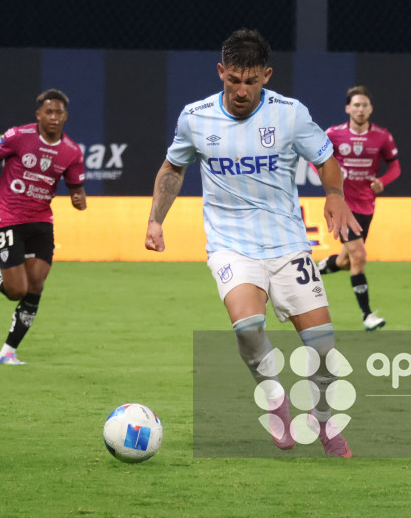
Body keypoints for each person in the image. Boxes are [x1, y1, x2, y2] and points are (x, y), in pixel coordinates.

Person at [145, 28, 360, 458]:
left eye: (251, 81)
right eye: (233, 80)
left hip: (288, 244)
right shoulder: (195, 117)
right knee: (247, 326)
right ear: (220, 72)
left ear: (266, 75)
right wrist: (155, 220)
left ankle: (323, 420)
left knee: (322, 348)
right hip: (231, 245)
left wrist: (335, 195)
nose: (241, 91)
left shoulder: (290, 113)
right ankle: (275, 402)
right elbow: (173, 168)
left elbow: (326, 159)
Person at [0, 89, 86, 366]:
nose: (54, 117)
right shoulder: (18, 136)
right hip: (9, 218)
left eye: (59, 112)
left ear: (65, 116)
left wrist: (79, 199)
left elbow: (76, 190)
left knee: (36, 284)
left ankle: (7, 352)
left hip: (41, 222)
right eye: (49, 112)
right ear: (39, 115)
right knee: (16, 291)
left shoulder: (71, 151)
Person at [318, 86, 400, 331]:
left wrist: (382, 182)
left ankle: (313, 270)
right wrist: (328, 182)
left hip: (367, 206)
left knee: (346, 261)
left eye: (364, 105)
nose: (360, 109)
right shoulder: (333, 134)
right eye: (356, 105)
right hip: (343, 205)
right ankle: (367, 316)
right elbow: (316, 159)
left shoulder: (382, 137)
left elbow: (395, 167)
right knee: (359, 256)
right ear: (348, 108)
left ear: (370, 108)